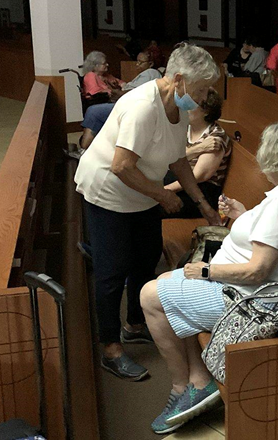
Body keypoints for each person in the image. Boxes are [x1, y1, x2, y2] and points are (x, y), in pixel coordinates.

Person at [140, 120, 278, 434]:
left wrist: (206, 270)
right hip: (251, 289)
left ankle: (180, 385)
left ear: (276, 161)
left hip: (250, 299)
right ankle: (199, 380)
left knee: (150, 296)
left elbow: (258, 270)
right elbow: (277, 237)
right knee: (171, 289)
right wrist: (245, 215)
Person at [74, 43, 222, 382]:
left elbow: (178, 159)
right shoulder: (142, 106)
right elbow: (121, 166)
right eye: (200, 89)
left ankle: (135, 324)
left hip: (141, 193)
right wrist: (161, 196)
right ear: (179, 80)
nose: (203, 96)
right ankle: (110, 349)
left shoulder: (179, 108)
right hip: (109, 193)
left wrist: (202, 203)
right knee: (112, 271)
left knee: (144, 258)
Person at [163, 89, 232, 218]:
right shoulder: (185, 128)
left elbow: (198, 176)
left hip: (203, 192)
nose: (184, 108)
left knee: (153, 207)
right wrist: (198, 149)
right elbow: (169, 159)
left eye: (191, 105)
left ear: (206, 111)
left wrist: (165, 191)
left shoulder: (215, 138)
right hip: (183, 181)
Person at [78, 52, 163, 151]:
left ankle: (84, 149)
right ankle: (87, 148)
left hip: (126, 100)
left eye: (140, 62)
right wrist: (113, 90)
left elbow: (126, 85)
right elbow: (94, 92)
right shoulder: (91, 76)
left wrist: (118, 89)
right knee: (94, 111)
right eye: (104, 63)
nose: (107, 65)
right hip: (111, 100)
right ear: (95, 65)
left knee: (94, 112)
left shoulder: (150, 72)